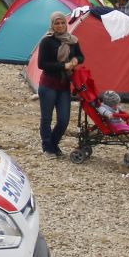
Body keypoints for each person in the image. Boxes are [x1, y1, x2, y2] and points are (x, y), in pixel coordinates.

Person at [36, 12, 84, 158]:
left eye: (62, 23)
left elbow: (81, 56)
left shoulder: (72, 40)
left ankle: (54, 144)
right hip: (48, 85)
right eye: (57, 23)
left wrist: (76, 59)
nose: (60, 26)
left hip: (64, 86)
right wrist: (64, 66)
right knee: (47, 118)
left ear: (66, 23)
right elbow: (41, 64)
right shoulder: (47, 41)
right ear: (52, 25)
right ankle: (47, 148)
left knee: (64, 120)